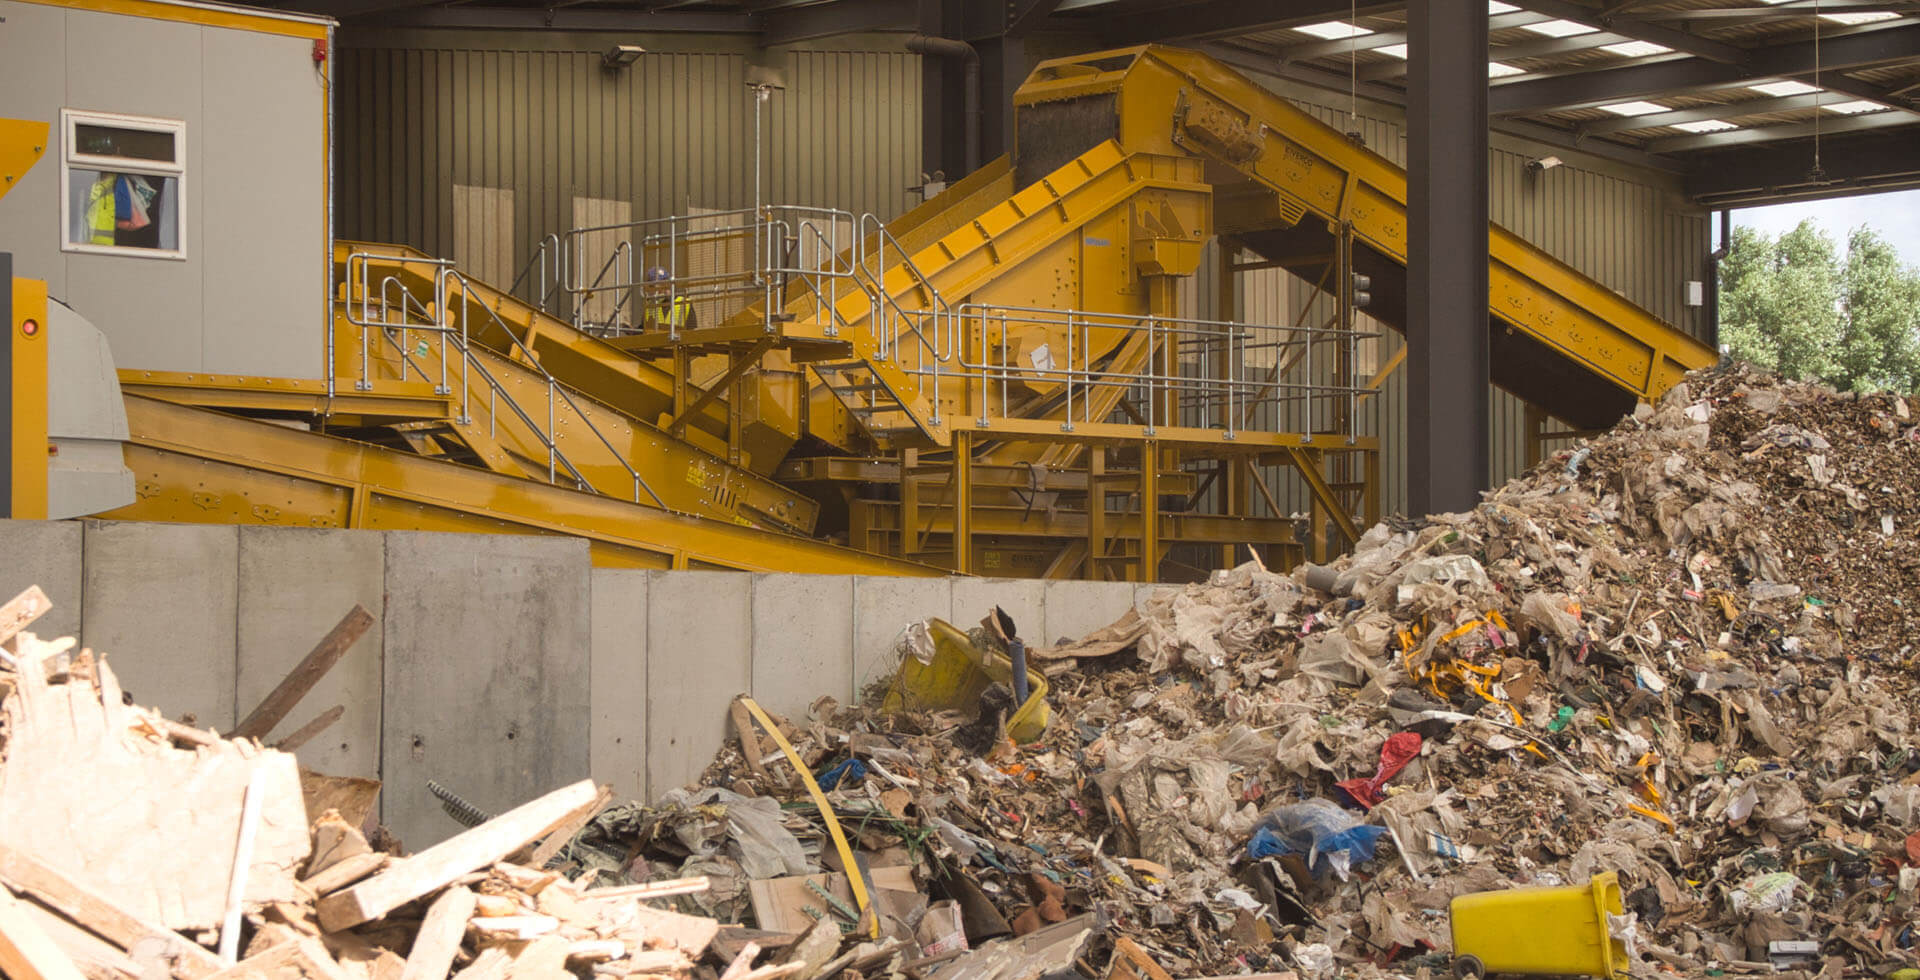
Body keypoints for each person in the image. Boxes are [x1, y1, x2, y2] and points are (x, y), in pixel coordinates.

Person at [642, 267, 696, 331]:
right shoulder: (649, 306)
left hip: (679, 340)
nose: (665, 288)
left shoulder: (685, 303)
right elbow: (643, 330)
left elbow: (692, 332)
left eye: (666, 283)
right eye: (661, 285)